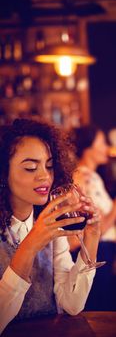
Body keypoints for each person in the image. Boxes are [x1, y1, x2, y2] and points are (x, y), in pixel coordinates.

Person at [0, 118, 101, 333]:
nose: (45, 176)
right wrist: (30, 244)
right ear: (3, 172)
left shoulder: (49, 224)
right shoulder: (40, 229)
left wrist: (92, 238)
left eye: (49, 166)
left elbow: (71, 304)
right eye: (30, 168)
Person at [69, 125, 116, 310]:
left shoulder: (93, 177)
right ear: (89, 148)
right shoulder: (81, 178)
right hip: (99, 254)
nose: (106, 147)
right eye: (102, 142)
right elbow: (91, 229)